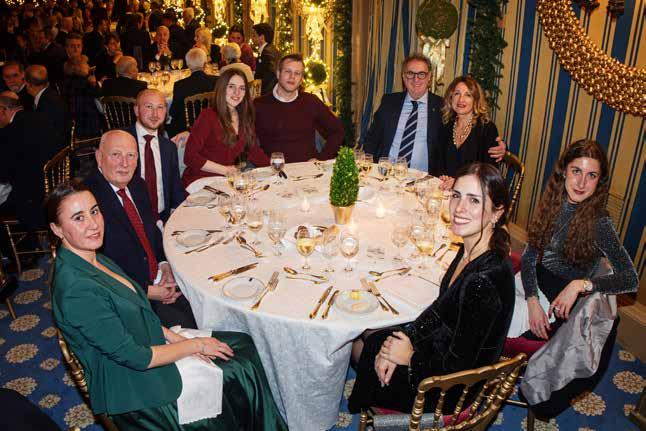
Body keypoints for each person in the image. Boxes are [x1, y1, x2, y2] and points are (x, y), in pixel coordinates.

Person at [48, 180, 288, 430]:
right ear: (57, 229)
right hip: (135, 386)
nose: (93, 224)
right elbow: (137, 358)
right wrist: (194, 345)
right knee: (237, 369)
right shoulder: (76, 290)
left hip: (146, 342)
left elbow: (134, 313)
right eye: (78, 218)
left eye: (94, 211)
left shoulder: (91, 257)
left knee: (243, 344)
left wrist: (175, 337)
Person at [348, 162, 515, 414]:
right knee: (372, 337)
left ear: (497, 212)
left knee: (363, 347)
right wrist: (404, 340)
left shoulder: (483, 281)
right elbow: (440, 310)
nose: (459, 208)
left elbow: (459, 369)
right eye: (456, 195)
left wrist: (409, 358)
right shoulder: (471, 247)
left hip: (447, 390)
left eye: (474, 200)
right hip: (438, 353)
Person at [517, 139, 638, 416]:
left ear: (599, 182)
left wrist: (580, 284)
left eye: (591, 175)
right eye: (576, 171)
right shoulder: (551, 203)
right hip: (538, 290)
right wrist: (532, 300)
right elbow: (528, 257)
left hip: (565, 308)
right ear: (563, 171)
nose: (582, 183)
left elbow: (630, 279)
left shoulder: (599, 223)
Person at [85, 130, 196, 328]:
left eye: (131, 155)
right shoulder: (88, 202)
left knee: (204, 298)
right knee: (196, 325)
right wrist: (147, 291)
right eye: (116, 155)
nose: (125, 163)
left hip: (157, 277)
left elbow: (151, 231)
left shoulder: (137, 185)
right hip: (126, 299)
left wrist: (164, 264)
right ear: (99, 158)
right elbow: (94, 269)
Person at [363, 55, 506, 173]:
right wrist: (370, 169)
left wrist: (502, 149)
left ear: (429, 77)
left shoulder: (442, 107)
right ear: (403, 76)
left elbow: (477, 138)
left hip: (423, 179)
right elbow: (372, 139)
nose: (416, 79)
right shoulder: (389, 102)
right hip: (387, 173)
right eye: (410, 74)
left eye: (421, 74)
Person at [182, 68, 269, 188]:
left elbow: (253, 151)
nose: (237, 93)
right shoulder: (208, 116)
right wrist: (225, 170)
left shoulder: (244, 117)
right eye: (231, 87)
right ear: (222, 88)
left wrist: (272, 168)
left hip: (226, 180)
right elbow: (190, 157)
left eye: (242, 88)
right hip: (201, 179)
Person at [254, 53, 344, 163]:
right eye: (288, 71)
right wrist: (264, 164)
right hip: (274, 170)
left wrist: (322, 159)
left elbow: (337, 130)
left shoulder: (311, 102)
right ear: (278, 74)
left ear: (301, 79)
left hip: (307, 169)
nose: (292, 77)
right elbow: (247, 142)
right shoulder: (259, 105)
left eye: (297, 73)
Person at [0, 92, 58, 249]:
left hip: (33, 197)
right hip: (55, 183)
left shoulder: (9, 132)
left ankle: (19, 252)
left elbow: (4, 174)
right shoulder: (41, 117)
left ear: (3, 110)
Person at [431, 76, 501, 190]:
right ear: (451, 98)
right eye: (457, 93)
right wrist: (442, 177)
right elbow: (437, 163)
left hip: (474, 192)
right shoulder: (446, 127)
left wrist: (458, 182)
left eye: (468, 95)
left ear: (475, 101)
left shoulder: (487, 129)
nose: (461, 100)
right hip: (445, 190)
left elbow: (489, 174)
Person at [125, 89, 184, 223]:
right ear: (136, 110)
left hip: (162, 217)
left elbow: (175, 187)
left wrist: (177, 215)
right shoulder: (122, 140)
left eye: (160, 107)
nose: (155, 114)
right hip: (132, 220)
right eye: (149, 107)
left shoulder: (169, 147)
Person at [167, 47, 217, 137]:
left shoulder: (180, 85)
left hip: (187, 130)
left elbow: (173, 112)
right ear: (205, 63)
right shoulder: (216, 80)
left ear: (188, 64)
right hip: (213, 126)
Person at [25, 64, 69, 151]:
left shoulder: (47, 103)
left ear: (28, 84)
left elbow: (46, 133)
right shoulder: (50, 94)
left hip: (56, 150)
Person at [61, 55, 102, 138]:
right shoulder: (84, 83)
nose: (88, 66)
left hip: (71, 120)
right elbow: (98, 94)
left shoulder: (67, 81)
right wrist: (97, 84)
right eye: (86, 63)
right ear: (79, 67)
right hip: (87, 122)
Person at [251, 23, 279, 95]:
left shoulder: (267, 52)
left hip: (268, 93)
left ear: (262, 37)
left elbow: (271, 75)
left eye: (254, 35)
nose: (252, 38)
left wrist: (263, 94)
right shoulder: (270, 49)